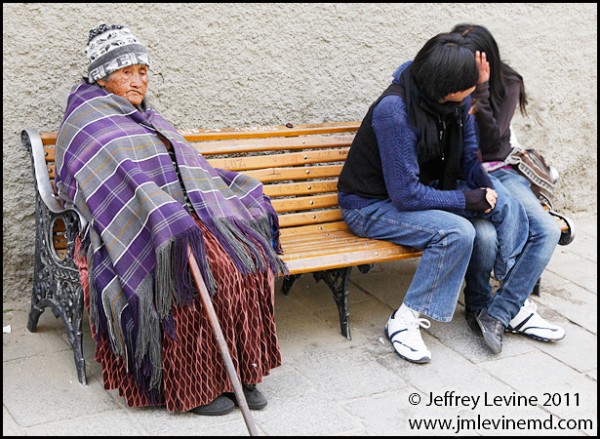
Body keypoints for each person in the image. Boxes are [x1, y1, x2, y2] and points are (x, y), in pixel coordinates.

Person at [55, 24, 286, 416]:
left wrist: (193, 206)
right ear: (101, 75)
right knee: (187, 270)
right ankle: (195, 385)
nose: (137, 80)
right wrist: (164, 215)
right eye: (126, 72)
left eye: (142, 71)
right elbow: (107, 188)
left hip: (182, 211)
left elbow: (180, 164)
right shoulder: (88, 121)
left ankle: (240, 374)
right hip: (132, 227)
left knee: (240, 263)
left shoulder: (142, 113)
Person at [337, 32, 530, 364]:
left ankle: (500, 305)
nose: (474, 91)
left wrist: (489, 192)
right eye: (469, 86)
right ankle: (405, 320)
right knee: (457, 233)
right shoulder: (394, 111)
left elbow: (470, 159)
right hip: (369, 205)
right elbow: (406, 195)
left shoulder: (452, 105)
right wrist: (470, 200)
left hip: (416, 195)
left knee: (496, 218)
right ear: (447, 88)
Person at [452, 24, 566, 351]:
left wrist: (483, 91)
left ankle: (499, 313)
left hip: (502, 170)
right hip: (465, 176)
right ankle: (484, 307)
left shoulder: (509, 83)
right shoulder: (448, 79)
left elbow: (491, 141)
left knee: (547, 229)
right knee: (486, 235)